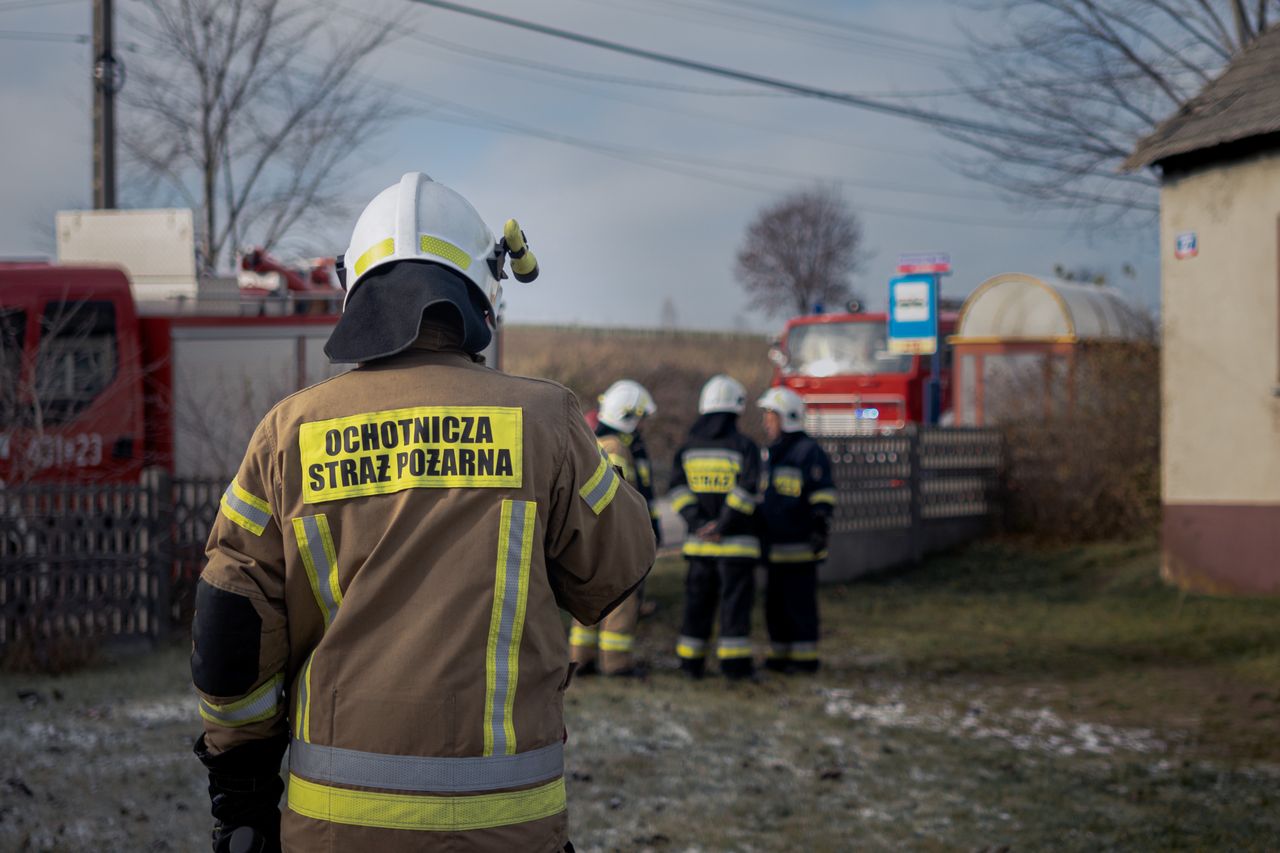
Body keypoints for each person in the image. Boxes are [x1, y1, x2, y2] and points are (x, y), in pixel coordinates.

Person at [190, 171, 655, 853]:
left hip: (334, 826)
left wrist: (242, 793)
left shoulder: (288, 433)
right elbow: (618, 567)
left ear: (357, 292)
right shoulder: (546, 419)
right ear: (482, 293)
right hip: (508, 825)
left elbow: (229, 625)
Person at [668, 375, 761, 680]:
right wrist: (724, 523)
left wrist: (698, 524)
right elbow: (748, 489)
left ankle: (690, 664)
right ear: (735, 410)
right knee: (734, 608)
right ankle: (734, 666)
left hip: (699, 546)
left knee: (696, 606)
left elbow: (677, 490)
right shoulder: (745, 447)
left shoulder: (687, 449)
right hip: (736, 548)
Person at [568, 380, 657, 676]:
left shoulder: (594, 442)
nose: (643, 425)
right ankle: (616, 664)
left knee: (590, 599)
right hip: (616, 539)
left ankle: (582, 658)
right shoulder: (617, 448)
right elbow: (619, 495)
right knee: (620, 601)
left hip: (593, 538)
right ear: (628, 416)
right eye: (640, 418)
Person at [756, 387, 836, 673]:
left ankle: (804, 660)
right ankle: (779, 655)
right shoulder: (770, 454)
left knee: (799, 606)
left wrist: (818, 525)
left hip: (800, 548)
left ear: (787, 418)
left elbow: (823, 493)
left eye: (770, 416)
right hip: (774, 549)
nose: (766, 422)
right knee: (775, 607)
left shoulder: (808, 452)